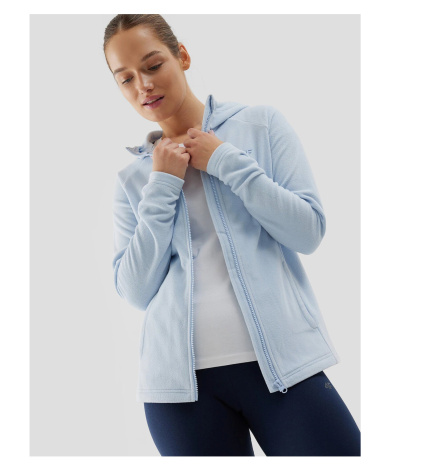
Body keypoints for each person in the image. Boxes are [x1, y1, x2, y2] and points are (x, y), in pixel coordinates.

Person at [104, 14, 361, 457]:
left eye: (153, 65)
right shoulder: (134, 179)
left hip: (285, 368)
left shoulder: (260, 126)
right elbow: (135, 291)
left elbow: (308, 232)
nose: (143, 85)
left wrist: (225, 161)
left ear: (182, 56)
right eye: (125, 78)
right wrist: (162, 184)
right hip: (180, 393)